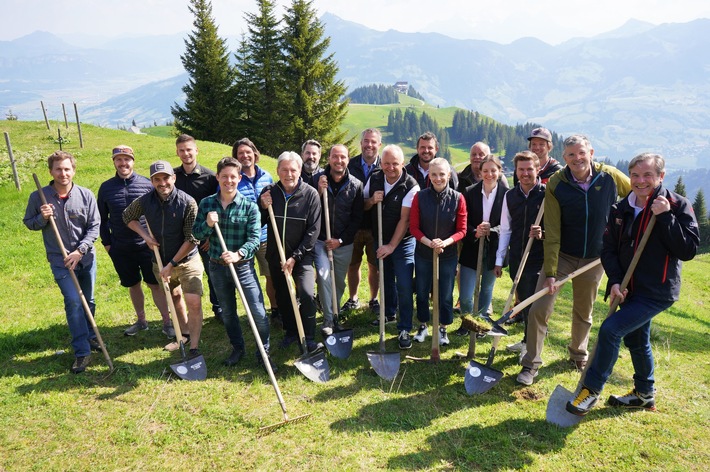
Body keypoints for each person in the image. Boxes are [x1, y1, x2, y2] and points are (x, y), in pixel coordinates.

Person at [566, 153, 699, 415]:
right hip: (628, 289)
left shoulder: (676, 204)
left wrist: (665, 217)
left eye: (647, 175)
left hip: (657, 291)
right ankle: (644, 393)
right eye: (635, 175)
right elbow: (609, 250)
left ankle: (590, 390)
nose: (640, 181)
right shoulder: (620, 208)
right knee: (637, 340)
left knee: (611, 330)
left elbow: (688, 249)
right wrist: (615, 281)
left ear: (660, 176)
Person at [517, 135, 631, 386]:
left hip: (596, 258)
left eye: (581, 153)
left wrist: (622, 221)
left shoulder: (609, 176)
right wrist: (550, 272)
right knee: (538, 308)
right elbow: (553, 232)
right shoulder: (557, 184)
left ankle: (578, 354)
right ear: (564, 157)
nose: (577, 159)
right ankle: (531, 363)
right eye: (571, 155)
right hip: (565, 256)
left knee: (584, 310)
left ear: (591, 151)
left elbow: (636, 193)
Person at [192, 157, 274, 370]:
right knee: (228, 312)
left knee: (257, 311)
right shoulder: (207, 204)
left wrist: (239, 254)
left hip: (243, 267)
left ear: (239, 178)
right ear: (218, 177)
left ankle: (263, 351)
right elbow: (196, 233)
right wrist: (208, 224)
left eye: (233, 177)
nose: (229, 180)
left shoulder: (249, 207)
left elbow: (255, 238)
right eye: (224, 176)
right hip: (217, 267)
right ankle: (238, 348)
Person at [24, 151, 100, 373]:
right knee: (74, 301)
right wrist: (42, 217)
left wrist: (80, 250)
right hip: (60, 261)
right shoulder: (39, 197)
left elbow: (94, 226)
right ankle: (82, 352)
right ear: (51, 171)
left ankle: (90, 335)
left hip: (86, 258)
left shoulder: (85, 195)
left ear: (73, 170)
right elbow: (29, 223)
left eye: (67, 169)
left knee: (90, 300)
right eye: (58, 169)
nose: (63, 173)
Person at [123, 160, 204, 358]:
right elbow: (127, 217)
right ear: (152, 181)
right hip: (159, 260)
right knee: (174, 297)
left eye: (166, 178)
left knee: (193, 301)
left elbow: (192, 239)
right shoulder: (145, 201)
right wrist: (146, 236)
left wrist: (172, 265)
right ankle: (182, 335)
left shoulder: (187, 202)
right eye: (157, 179)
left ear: (173, 178)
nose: (162, 183)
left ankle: (194, 347)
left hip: (186, 262)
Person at [97, 145, 172, 338]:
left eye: (126, 159)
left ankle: (167, 322)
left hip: (147, 247)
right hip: (121, 247)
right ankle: (141, 321)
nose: (123, 163)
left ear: (133, 161)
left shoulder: (147, 184)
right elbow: (101, 219)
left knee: (155, 284)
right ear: (114, 162)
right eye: (119, 159)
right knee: (133, 284)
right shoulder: (106, 188)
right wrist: (107, 244)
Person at [259, 152, 322, 353]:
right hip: (277, 256)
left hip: (302, 257)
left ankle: (309, 337)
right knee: (283, 295)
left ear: (299, 171)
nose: (288, 174)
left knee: (306, 293)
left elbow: (313, 231)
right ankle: (291, 332)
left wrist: (295, 257)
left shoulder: (310, 194)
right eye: (284, 170)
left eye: (293, 170)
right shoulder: (270, 192)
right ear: (277, 171)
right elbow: (259, 222)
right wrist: (262, 207)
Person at [363, 145, 419, 349]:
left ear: (402, 164)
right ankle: (388, 314)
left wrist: (391, 246)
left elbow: (404, 221)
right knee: (385, 279)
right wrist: (371, 200)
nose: (390, 167)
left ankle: (405, 327)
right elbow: (363, 204)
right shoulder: (375, 177)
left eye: (395, 163)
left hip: (403, 242)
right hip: (380, 236)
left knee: (403, 284)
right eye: (386, 163)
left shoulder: (410, 185)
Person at [409, 157, 467, 346]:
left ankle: (443, 328)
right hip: (424, 253)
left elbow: (462, 230)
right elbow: (414, 228)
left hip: (448, 254)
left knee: (445, 293)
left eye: (442, 174)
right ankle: (423, 325)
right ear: (429, 176)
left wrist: (445, 242)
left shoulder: (458, 198)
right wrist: (429, 243)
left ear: (448, 175)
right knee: (423, 290)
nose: (438, 178)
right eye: (434, 174)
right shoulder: (420, 197)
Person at [494, 151, 545, 360]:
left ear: (538, 169)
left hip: (538, 258)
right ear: (516, 171)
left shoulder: (546, 195)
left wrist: (544, 233)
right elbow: (506, 229)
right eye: (521, 169)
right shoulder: (510, 196)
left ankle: (530, 347)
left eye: (529, 169)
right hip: (517, 256)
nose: (525, 174)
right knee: (522, 301)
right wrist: (500, 260)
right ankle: (526, 340)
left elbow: (558, 228)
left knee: (533, 306)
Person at [310, 144, 363, 336]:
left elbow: (357, 218)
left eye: (343, 157)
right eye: (335, 157)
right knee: (324, 277)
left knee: (338, 283)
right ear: (329, 158)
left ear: (348, 160)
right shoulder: (317, 180)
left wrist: (340, 240)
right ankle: (328, 320)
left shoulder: (356, 185)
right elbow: (309, 210)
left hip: (343, 243)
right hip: (320, 241)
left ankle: (334, 312)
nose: (338, 161)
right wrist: (318, 192)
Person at [232, 137, 280, 328]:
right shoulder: (232, 178)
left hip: (265, 236)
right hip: (241, 239)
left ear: (254, 153)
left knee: (271, 275)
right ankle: (255, 314)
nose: (245, 156)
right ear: (236, 157)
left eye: (248, 152)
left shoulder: (267, 177)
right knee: (248, 279)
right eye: (240, 153)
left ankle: (275, 309)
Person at [173, 134, 221, 322]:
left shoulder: (209, 177)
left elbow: (216, 207)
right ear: (177, 152)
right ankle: (185, 313)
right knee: (183, 273)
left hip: (206, 236)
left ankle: (218, 308)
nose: (186, 154)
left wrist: (209, 236)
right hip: (182, 237)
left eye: (189, 149)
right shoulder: (173, 177)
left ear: (196, 150)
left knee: (213, 272)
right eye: (182, 150)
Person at [457, 155, 507, 323]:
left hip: (493, 248)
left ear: (499, 172)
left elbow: (508, 225)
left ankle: (481, 323)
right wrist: (475, 231)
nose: (489, 174)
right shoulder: (470, 192)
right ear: (480, 171)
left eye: (493, 170)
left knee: (486, 289)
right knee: (465, 294)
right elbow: (463, 221)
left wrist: (491, 230)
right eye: (485, 170)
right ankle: (467, 322)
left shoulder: (507, 195)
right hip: (472, 247)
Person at [343, 128, 382, 316]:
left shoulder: (386, 166)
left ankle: (374, 299)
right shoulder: (349, 166)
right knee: (353, 264)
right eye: (366, 141)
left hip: (376, 226)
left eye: (373, 142)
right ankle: (353, 298)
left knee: (375, 265)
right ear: (361, 143)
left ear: (379, 145)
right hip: (354, 225)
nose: (369, 145)